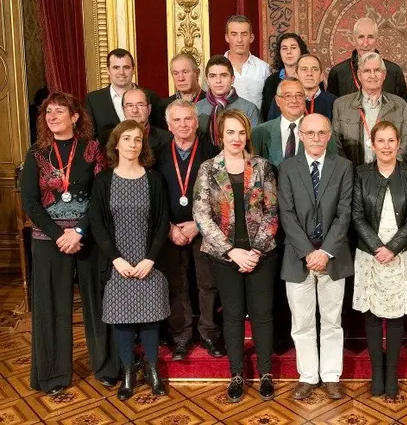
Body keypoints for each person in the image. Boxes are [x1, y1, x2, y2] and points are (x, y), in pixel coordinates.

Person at [20, 92, 119, 395]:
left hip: (87, 238)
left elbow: (101, 195)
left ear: (75, 116)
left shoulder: (92, 149)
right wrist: (58, 235)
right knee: (51, 307)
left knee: (97, 304)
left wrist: (78, 231)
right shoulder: (36, 153)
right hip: (48, 241)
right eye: (48, 112)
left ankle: (105, 367)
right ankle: (53, 375)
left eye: (59, 111)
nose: (52, 116)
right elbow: (30, 201)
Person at [192, 110, 280, 402]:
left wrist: (254, 251)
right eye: (230, 132)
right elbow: (202, 216)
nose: (236, 138)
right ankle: (237, 374)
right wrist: (232, 251)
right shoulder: (208, 169)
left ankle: (266, 373)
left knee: (262, 314)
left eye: (241, 132)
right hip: (224, 255)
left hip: (260, 255)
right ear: (221, 135)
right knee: (231, 316)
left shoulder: (262, 167)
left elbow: (272, 213)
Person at [89, 120, 170, 401]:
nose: (132, 145)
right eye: (127, 139)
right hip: (117, 265)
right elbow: (97, 224)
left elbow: (161, 222)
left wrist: (150, 258)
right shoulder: (103, 181)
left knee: (150, 319)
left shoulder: (154, 179)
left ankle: (152, 369)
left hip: (148, 262)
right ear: (116, 143)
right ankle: (127, 372)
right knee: (122, 320)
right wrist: (116, 260)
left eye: (137, 140)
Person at [278, 113, 354, 401]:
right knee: (302, 322)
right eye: (310, 133)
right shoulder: (287, 168)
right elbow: (286, 213)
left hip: (334, 256)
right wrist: (309, 252)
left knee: (332, 321)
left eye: (322, 133)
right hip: (298, 257)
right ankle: (308, 376)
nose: (316, 138)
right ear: (301, 136)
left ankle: (332, 376)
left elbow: (345, 212)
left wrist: (325, 251)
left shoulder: (344, 167)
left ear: (330, 135)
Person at [352, 121, 407, 397]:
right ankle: (376, 372)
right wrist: (376, 247)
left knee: (395, 317)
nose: (385, 146)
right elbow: (357, 215)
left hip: (401, 254)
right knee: (371, 314)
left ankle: (391, 372)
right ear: (372, 143)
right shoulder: (360, 173)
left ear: (398, 143)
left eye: (390, 140)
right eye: (380, 141)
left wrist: (392, 247)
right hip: (370, 254)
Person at [154, 100, 222, 360]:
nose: (183, 125)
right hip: (171, 231)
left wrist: (198, 225)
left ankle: (209, 334)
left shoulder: (212, 152)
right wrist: (169, 227)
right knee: (177, 286)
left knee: (208, 284)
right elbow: (154, 196)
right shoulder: (157, 154)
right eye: (177, 120)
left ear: (197, 122)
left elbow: (221, 196)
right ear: (169, 125)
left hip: (204, 230)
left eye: (188, 119)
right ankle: (180, 336)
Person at [332, 52, 407, 167]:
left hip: (387, 173)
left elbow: (404, 140)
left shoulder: (399, 105)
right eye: (367, 71)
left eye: (377, 70)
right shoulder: (341, 104)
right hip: (352, 174)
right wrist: (347, 171)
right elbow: (335, 143)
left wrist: (388, 169)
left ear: (384, 74)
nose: (372, 75)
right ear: (359, 75)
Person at [85, 49, 163, 143]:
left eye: (126, 67)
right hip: (106, 157)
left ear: (133, 69)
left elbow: (159, 133)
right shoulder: (93, 100)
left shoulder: (152, 97)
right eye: (116, 67)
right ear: (108, 70)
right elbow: (89, 137)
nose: (121, 72)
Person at [326, 17, 407, 100]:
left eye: (370, 37)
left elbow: (403, 108)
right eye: (361, 37)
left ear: (376, 40)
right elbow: (333, 109)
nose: (365, 44)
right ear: (354, 40)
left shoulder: (394, 71)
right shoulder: (337, 72)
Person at [196, 55, 261, 145]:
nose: (218, 81)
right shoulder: (196, 109)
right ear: (207, 80)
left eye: (223, 75)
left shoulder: (249, 109)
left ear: (232, 79)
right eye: (213, 76)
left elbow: (254, 145)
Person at [252, 78, 306, 167]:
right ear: (277, 101)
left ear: (305, 98)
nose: (294, 100)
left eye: (299, 95)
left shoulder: (321, 131)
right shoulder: (259, 132)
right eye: (288, 96)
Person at [268, 54, 337, 121]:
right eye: (304, 69)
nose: (309, 73)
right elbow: (272, 129)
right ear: (296, 75)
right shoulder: (282, 100)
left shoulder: (334, 102)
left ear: (321, 76)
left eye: (315, 69)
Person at [223, 15, 271, 110]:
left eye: (244, 34)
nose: (239, 40)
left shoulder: (263, 68)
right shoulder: (215, 68)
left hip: (257, 123)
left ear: (251, 37)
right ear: (227, 37)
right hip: (225, 123)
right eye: (234, 34)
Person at [103, 88, 172, 149]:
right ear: (123, 110)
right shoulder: (109, 138)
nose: (135, 110)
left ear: (149, 108)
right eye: (130, 105)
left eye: (140, 105)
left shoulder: (167, 139)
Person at [261, 33, 310, 117]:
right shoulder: (271, 81)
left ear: (301, 51)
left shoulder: (310, 77)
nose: (288, 52)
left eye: (293, 48)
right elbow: (266, 113)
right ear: (279, 53)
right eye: (284, 48)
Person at [159, 53, 207, 119]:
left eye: (185, 72)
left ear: (197, 73)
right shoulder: (163, 106)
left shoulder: (212, 102)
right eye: (176, 73)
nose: (181, 78)